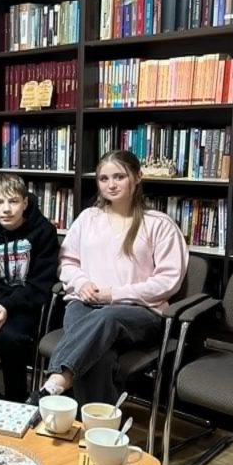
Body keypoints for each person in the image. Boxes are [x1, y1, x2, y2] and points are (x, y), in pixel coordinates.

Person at [30, 150, 188, 407]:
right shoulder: (88, 219)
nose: (111, 185)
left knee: (106, 316)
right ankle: (96, 431)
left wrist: (113, 295)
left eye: (119, 177)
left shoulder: (159, 224)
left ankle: (56, 381)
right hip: (84, 304)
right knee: (99, 356)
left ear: (137, 177)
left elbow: (168, 281)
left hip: (139, 313)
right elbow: (68, 262)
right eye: (104, 178)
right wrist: (81, 283)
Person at [0, 174, 58, 404]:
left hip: (28, 305)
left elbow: (41, 282)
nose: (6, 209)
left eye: (13, 201)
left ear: (25, 203)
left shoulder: (44, 231)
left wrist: (8, 305)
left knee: (10, 338)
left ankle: (16, 400)